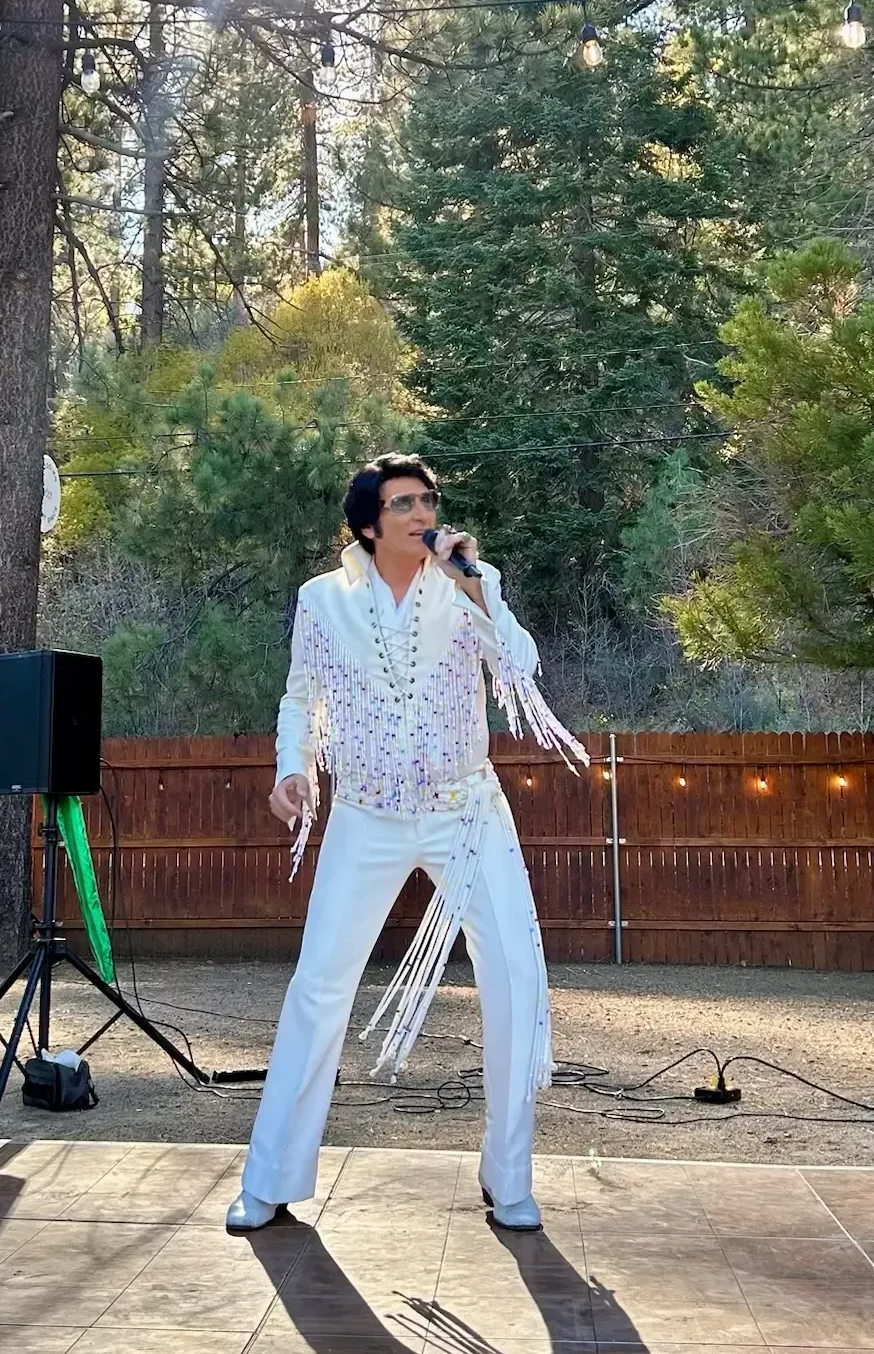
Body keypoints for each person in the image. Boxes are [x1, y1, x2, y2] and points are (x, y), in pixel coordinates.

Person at [226, 453, 588, 1235]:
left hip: (468, 811)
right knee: (319, 985)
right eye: (404, 504)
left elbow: (520, 668)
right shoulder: (321, 601)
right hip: (365, 815)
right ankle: (271, 1179)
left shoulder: (467, 586)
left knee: (516, 975)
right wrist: (293, 770)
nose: (423, 514)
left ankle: (509, 1175)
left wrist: (477, 584)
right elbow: (300, 695)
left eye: (428, 500)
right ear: (367, 523)